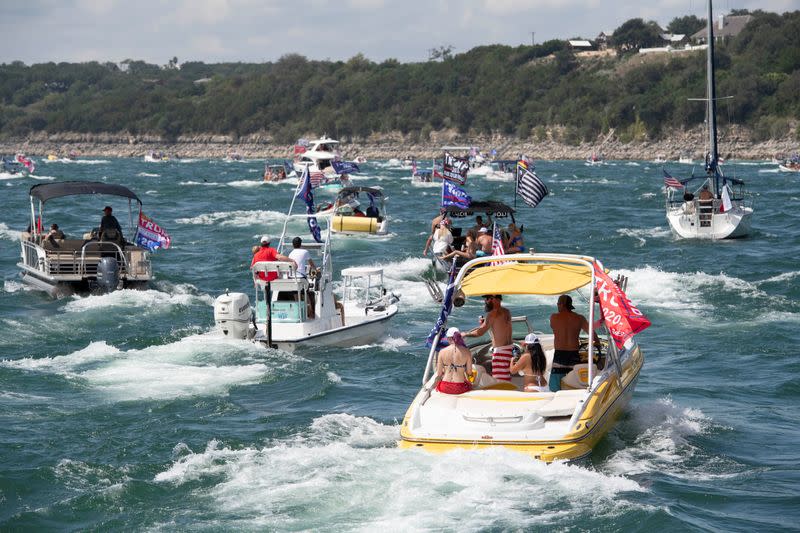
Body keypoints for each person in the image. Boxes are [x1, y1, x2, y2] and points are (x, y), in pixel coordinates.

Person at [548, 294, 594, 392]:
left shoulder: (553, 317)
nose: (557, 305)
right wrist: (597, 343)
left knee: (555, 386)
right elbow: (592, 334)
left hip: (559, 355)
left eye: (558, 303)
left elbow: (554, 327)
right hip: (574, 354)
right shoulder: (579, 318)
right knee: (575, 383)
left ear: (562, 304)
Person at [463, 294, 514, 381]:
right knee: (506, 377)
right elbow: (500, 327)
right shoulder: (506, 312)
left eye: (487, 299)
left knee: (500, 381)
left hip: (500, 352)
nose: (485, 301)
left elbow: (480, 333)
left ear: (494, 299)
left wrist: (465, 334)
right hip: (509, 350)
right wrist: (485, 323)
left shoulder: (492, 315)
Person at [435, 327, 473, 395]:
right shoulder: (467, 351)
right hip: (460, 387)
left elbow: (439, 374)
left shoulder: (442, 351)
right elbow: (469, 372)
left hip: (445, 386)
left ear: (448, 338)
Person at [288, 236, 317, 318]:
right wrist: (315, 270)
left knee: (296, 294)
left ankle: (299, 313)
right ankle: (311, 314)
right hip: (301, 278)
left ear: (293, 245)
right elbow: (311, 264)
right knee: (307, 293)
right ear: (301, 244)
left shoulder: (291, 253)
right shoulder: (305, 252)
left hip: (292, 278)